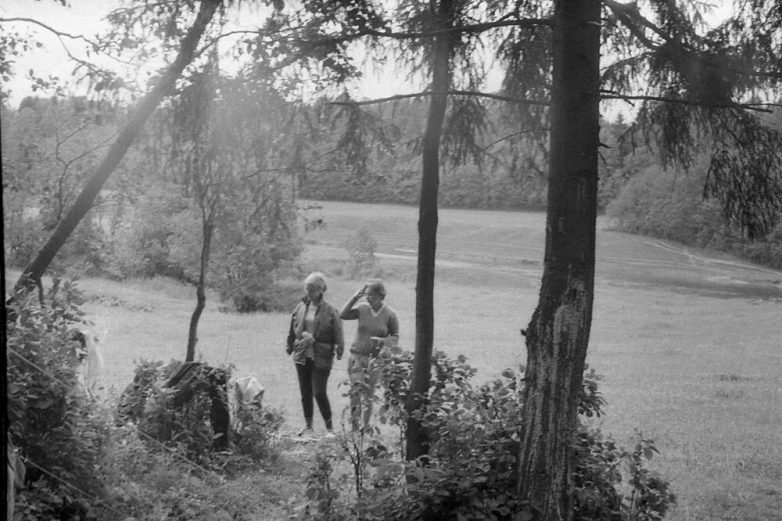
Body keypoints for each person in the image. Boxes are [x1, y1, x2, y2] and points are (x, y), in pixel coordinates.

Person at [286, 272, 344, 436]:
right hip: (302, 354)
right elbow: (293, 328)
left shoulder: (331, 310)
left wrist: (339, 349)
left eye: (312, 289)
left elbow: (338, 332)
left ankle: (330, 428)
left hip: (322, 355)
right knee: (305, 392)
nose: (309, 293)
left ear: (321, 290)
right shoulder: (300, 307)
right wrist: (292, 344)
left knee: (319, 392)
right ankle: (308, 426)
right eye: (307, 289)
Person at [340, 279, 399, 431]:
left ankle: (365, 428)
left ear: (380, 296)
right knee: (356, 392)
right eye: (366, 294)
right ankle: (354, 427)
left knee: (368, 394)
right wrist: (355, 297)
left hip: (375, 361)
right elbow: (343, 314)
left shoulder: (390, 314)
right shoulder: (362, 308)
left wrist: (381, 340)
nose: (367, 297)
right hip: (357, 356)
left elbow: (395, 338)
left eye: (370, 295)